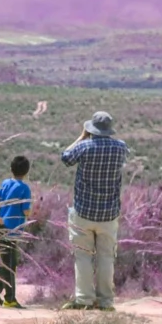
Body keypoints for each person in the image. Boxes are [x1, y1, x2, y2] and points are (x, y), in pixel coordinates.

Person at [59, 112, 129, 311]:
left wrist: (81, 137)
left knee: (82, 256)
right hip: (108, 213)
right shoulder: (120, 147)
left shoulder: (83, 147)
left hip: (83, 212)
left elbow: (65, 158)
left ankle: (84, 299)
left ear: (91, 129)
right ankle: (106, 301)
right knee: (106, 257)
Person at [0, 154, 34, 307]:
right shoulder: (25, 189)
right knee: (10, 264)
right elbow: (26, 211)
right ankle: (10, 298)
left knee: (6, 261)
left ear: (11, 169)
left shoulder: (5, 183)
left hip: (1, 228)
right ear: (26, 171)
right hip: (14, 230)